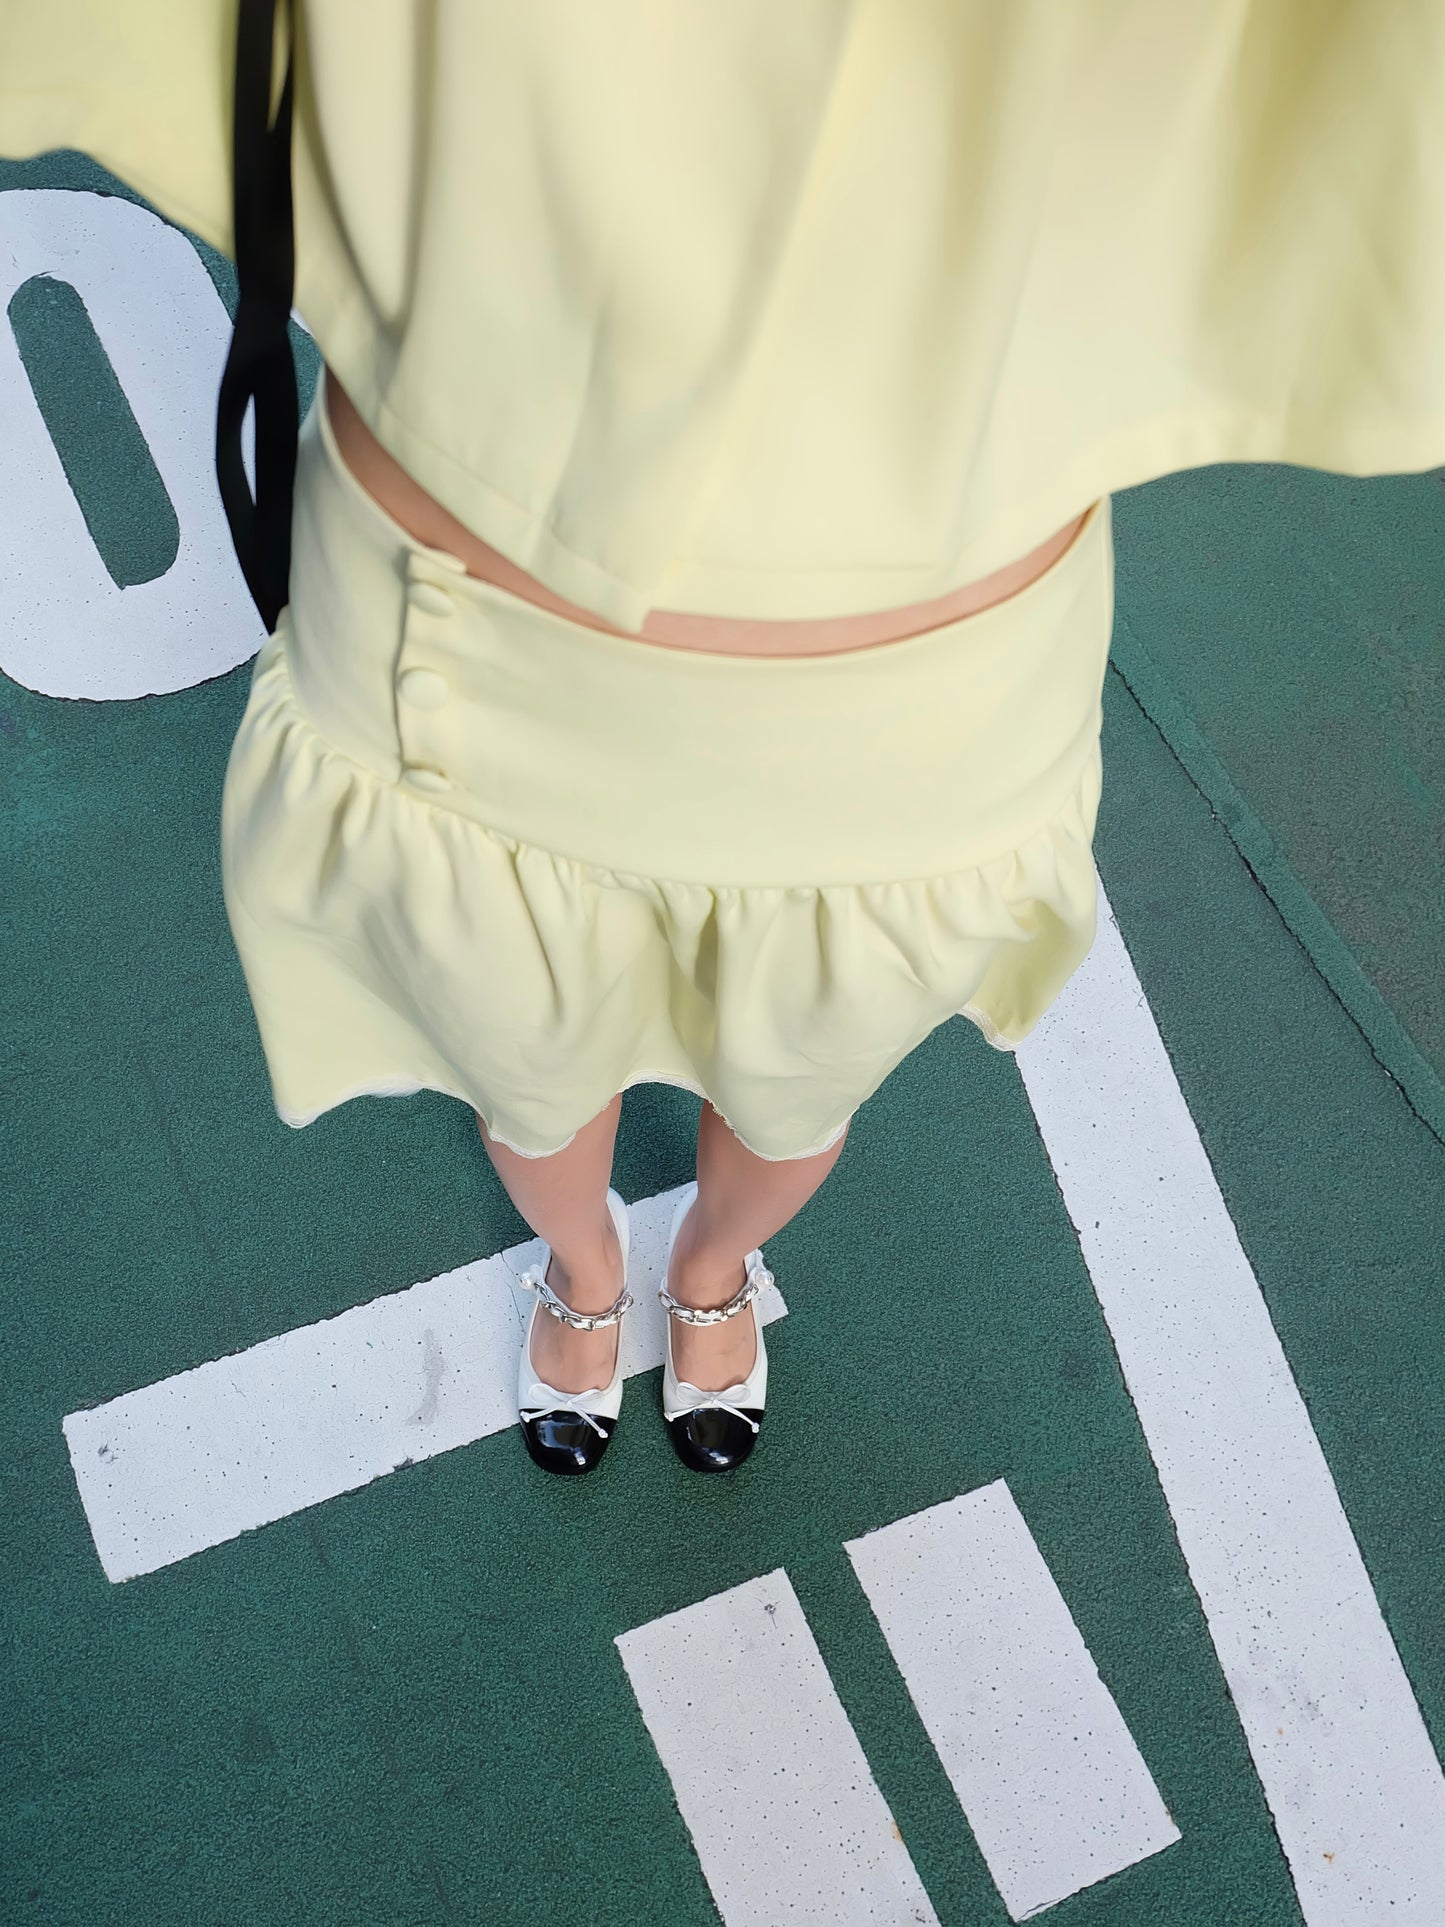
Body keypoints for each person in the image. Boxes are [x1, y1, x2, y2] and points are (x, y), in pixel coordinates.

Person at [4, 2, 1443, 1480]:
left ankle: (702, 1274)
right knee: (530, 1084)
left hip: (892, 754)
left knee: (792, 1097)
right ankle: (585, 1273)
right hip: (478, 700)